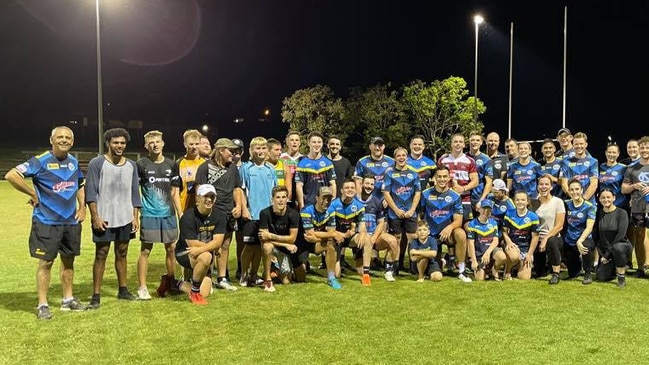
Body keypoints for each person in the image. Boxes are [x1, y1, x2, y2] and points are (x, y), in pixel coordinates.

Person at [5, 126, 87, 319]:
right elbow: (11, 175)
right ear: (52, 140)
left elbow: (80, 185)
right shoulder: (40, 160)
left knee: (69, 261)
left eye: (68, 138)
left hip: (70, 222)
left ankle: (68, 299)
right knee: (46, 262)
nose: (64, 140)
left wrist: (82, 207)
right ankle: (42, 304)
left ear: (72, 142)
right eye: (60, 137)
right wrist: (32, 193)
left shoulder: (73, 162)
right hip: (46, 221)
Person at [85, 127, 142, 308]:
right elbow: (91, 192)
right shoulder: (97, 163)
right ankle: (96, 295)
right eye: (116, 142)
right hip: (104, 217)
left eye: (122, 143)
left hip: (125, 217)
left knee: (122, 253)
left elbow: (135, 193)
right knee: (101, 254)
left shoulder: (132, 165)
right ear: (108, 143)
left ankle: (123, 289)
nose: (119, 146)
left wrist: (135, 217)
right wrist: (95, 217)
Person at [135, 130, 179, 300]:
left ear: (163, 143)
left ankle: (171, 282)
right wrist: (136, 215)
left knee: (171, 248)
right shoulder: (141, 164)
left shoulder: (171, 164)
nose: (155, 144)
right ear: (146, 146)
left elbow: (175, 192)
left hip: (168, 213)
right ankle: (142, 287)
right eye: (151, 142)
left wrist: (180, 213)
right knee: (146, 250)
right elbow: (136, 192)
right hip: (149, 213)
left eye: (157, 141)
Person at [195, 138, 244, 291]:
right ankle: (207, 277)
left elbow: (237, 189)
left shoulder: (233, 168)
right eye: (231, 151)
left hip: (228, 212)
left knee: (225, 245)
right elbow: (199, 190)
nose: (234, 154)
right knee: (208, 245)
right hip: (211, 213)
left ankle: (222, 278)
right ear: (221, 150)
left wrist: (238, 206)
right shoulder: (204, 167)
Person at [174, 184, 225, 305]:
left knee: (205, 293)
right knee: (206, 256)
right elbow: (192, 244)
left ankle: (173, 283)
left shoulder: (220, 215)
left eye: (212, 196)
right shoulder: (187, 217)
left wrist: (208, 248)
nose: (209, 199)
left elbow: (218, 241)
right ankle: (194, 291)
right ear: (198, 199)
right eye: (205, 196)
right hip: (184, 252)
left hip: (202, 252)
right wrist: (212, 248)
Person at [420, 165, 471, 282]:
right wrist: (423, 234)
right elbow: (420, 216)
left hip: (448, 235)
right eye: (439, 177)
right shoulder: (425, 194)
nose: (442, 179)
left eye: (444, 176)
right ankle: (441, 262)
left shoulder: (455, 196)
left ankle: (462, 271)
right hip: (431, 236)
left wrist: (449, 228)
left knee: (461, 234)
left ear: (449, 178)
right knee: (436, 276)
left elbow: (458, 220)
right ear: (434, 178)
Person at [239, 137, 277, 287]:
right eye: (257, 148)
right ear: (251, 150)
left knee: (262, 247)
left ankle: (254, 275)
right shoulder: (246, 169)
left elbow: (275, 192)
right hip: (252, 213)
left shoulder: (271, 169)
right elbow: (241, 191)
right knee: (249, 247)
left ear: (267, 150)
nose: (260, 151)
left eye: (263, 148)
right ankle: (243, 273)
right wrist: (244, 209)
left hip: (266, 215)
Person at [382, 147, 421, 273]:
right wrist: (396, 210)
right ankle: (395, 266)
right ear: (395, 158)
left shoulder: (414, 174)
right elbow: (386, 193)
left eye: (403, 155)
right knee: (396, 239)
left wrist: (412, 209)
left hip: (410, 212)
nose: (401, 158)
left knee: (413, 238)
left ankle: (414, 266)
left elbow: (417, 193)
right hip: (394, 213)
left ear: (407, 157)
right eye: (398, 156)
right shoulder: (389, 173)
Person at [298, 186, 345, 289]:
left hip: (317, 242)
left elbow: (330, 231)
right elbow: (309, 233)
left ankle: (331, 278)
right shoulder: (306, 210)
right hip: (302, 244)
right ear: (317, 198)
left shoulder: (331, 210)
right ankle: (302, 264)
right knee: (300, 278)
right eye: (324, 198)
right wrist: (332, 235)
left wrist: (321, 237)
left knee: (330, 244)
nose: (326, 201)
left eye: (328, 198)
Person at [329, 179, 372, 285]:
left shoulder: (359, 206)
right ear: (341, 190)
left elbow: (362, 226)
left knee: (367, 238)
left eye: (352, 188)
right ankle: (336, 261)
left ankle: (366, 274)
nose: (350, 190)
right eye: (347, 188)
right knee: (336, 275)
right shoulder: (333, 205)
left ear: (356, 190)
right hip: (336, 238)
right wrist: (343, 234)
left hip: (350, 238)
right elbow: (331, 230)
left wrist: (362, 233)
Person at [357, 175, 400, 282]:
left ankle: (389, 271)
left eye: (372, 184)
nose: (369, 186)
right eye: (367, 183)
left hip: (374, 236)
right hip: (358, 237)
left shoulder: (377, 201)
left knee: (393, 241)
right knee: (359, 271)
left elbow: (381, 223)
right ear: (362, 184)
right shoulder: (354, 200)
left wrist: (374, 237)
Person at [259, 186, 300, 292]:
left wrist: (271, 236)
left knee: (286, 281)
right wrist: (285, 244)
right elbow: (263, 239)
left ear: (287, 198)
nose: (281, 200)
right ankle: (268, 280)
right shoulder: (265, 213)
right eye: (277, 197)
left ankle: (275, 269)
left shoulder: (293, 214)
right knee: (267, 246)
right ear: (272, 199)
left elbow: (292, 239)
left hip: (285, 250)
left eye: (283, 197)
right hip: (273, 246)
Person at [621, 135, 649, 277]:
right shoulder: (632, 168)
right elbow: (623, 188)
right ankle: (641, 268)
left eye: (647, 147)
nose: (645, 149)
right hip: (638, 207)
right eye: (642, 147)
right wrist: (634, 186)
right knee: (639, 237)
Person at [437, 133, 479, 224]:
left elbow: (475, 181)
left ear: (464, 144)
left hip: (464, 199)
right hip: (446, 198)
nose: (458, 144)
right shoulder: (443, 160)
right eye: (455, 142)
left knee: (468, 227)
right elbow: (436, 178)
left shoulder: (469, 160)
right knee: (446, 226)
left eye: (460, 142)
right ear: (451, 144)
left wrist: (463, 188)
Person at [595, 189, 633, 287]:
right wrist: (602, 254)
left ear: (614, 198)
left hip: (622, 246)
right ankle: (614, 268)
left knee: (617, 247)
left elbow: (620, 236)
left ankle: (621, 276)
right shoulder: (598, 213)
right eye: (603, 197)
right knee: (601, 277)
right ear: (599, 199)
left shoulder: (622, 213)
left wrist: (607, 255)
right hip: (606, 250)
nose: (606, 199)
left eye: (608, 197)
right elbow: (597, 236)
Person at [533, 174, 566, 284]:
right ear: (538, 187)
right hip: (537, 238)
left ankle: (556, 273)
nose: (543, 187)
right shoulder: (533, 202)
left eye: (546, 184)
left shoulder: (558, 202)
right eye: (541, 184)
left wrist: (545, 239)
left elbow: (559, 226)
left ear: (551, 187)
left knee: (551, 241)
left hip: (553, 237)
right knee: (539, 273)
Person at [564, 178, 597, 284]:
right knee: (572, 274)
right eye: (572, 190)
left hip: (585, 238)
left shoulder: (589, 206)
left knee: (585, 246)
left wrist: (580, 240)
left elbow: (589, 227)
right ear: (568, 191)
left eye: (577, 189)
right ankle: (575, 269)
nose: (575, 192)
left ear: (582, 190)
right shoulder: (566, 204)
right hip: (569, 239)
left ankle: (587, 274)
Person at [502, 191, 541, 280]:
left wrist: (529, 254)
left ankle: (518, 264)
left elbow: (535, 237)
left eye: (523, 200)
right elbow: (504, 231)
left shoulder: (533, 217)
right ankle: (507, 271)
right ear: (514, 201)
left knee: (524, 277)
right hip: (512, 245)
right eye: (517, 200)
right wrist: (508, 242)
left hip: (525, 248)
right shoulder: (509, 213)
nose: (520, 202)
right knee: (515, 256)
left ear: (527, 202)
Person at [294, 131, 337, 211]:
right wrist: (302, 205)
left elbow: (332, 184)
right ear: (308, 143)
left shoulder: (328, 163)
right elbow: (299, 186)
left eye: (319, 142)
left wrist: (332, 203)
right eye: (314, 142)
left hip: (325, 205)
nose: (317, 145)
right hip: (308, 206)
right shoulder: (302, 164)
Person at [466, 199, 506, 281]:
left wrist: (487, 253)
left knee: (502, 257)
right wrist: (473, 261)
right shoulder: (472, 224)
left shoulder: (493, 223)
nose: (486, 212)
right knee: (480, 279)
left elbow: (495, 241)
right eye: (484, 209)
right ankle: (483, 269)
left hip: (490, 252)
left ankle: (494, 270)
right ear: (479, 209)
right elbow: (471, 243)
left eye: (489, 210)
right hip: (479, 253)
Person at [171, 129, 205, 217]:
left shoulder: (205, 163)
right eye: (191, 144)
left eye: (197, 144)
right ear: (185, 144)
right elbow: (175, 192)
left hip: (202, 210)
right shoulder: (179, 164)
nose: (194, 147)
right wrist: (179, 212)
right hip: (185, 211)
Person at [559, 132, 598, 204]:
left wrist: (583, 201)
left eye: (581, 144)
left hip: (589, 203)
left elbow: (594, 184)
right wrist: (575, 198)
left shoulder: (593, 161)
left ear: (586, 145)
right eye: (576, 144)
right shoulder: (565, 162)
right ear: (573, 145)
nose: (579, 146)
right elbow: (564, 184)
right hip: (572, 203)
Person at [598, 143, 628, 210]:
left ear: (618, 154)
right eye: (609, 152)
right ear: (606, 153)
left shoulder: (624, 168)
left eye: (614, 152)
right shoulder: (600, 167)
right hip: (604, 205)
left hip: (620, 205)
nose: (611, 154)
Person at [468, 131, 493, 209]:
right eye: (472, 140)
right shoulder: (463, 157)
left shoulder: (486, 160)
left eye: (477, 140)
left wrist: (481, 200)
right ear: (469, 141)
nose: (475, 142)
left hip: (478, 198)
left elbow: (489, 183)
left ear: (481, 142)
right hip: (464, 197)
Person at [280, 130, 303, 209]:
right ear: (287, 142)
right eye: (292, 140)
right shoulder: (281, 158)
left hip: (299, 194)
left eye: (297, 140)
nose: (294, 142)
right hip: (284, 194)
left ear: (300, 143)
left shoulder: (304, 159)